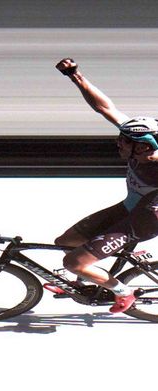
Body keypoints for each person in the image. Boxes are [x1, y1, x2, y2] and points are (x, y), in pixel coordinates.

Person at [54, 58, 158, 313]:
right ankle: (87, 280)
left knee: (74, 263)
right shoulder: (141, 141)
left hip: (144, 221)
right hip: (129, 207)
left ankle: (124, 292)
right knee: (67, 241)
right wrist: (75, 75)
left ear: (143, 146)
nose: (118, 144)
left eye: (124, 142)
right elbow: (104, 107)